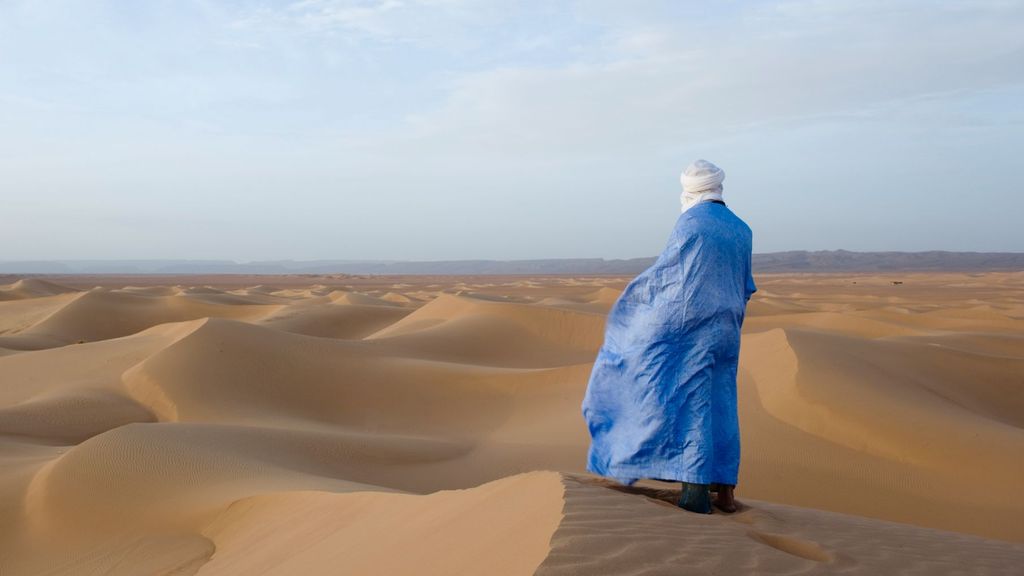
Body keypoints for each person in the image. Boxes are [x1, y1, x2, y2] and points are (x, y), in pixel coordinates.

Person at [581, 159, 756, 514]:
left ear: (690, 190)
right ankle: (726, 493)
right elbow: (745, 285)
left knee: (693, 402)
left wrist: (637, 305)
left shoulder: (690, 223)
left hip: (694, 328)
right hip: (729, 328)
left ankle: (694, 493)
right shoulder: (742, 228)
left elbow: (672, 276)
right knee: (723, 401)